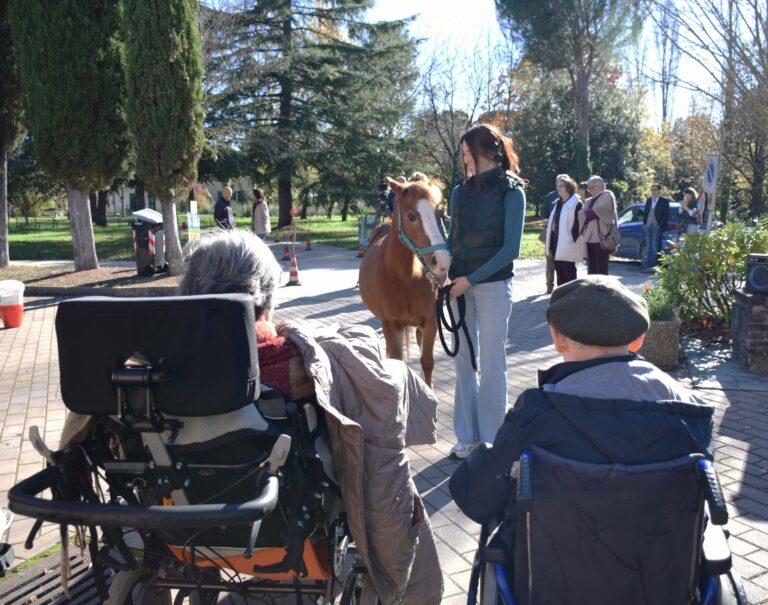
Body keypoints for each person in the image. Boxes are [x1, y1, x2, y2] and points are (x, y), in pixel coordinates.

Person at [62, 229, 444, 604]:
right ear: (265, 294)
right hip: (284, 532)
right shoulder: (292, 368)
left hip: (177, 531)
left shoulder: (139, 380)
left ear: (191, 291)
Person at [449, 275, 712, 567]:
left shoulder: (536, 413)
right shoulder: (691, 412)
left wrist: (479, 458)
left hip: (552, 579)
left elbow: (476, 498)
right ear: (638, 340)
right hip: (662, 581)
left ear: (556, 338)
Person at [446, 123, 526, 459]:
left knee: (493, 363)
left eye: (468, 152)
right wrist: (443, 273)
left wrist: (471, 279)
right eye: (463, 153)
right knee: (464, 360)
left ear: (487, 152)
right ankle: (467, 436)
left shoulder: (512, 192)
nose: (464, 158)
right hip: (458, 286)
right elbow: (452, 241)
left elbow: (511, 250)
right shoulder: (459, 191)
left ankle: (493, 439)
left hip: (492, 287)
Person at [545, 175, 585, 286]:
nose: (558, 188)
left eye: (561, 186)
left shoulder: (576, 203)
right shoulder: (558, 203)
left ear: (568, 187)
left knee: (569, 272)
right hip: (556, 242)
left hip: (568, 244)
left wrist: (572, 238)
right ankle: (561, 298)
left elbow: (579, 224)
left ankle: (571, 299)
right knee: (560, 272)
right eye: (558, 185)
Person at [579, 175, 618, 275]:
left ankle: (603, 290)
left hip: (601, 238)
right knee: (591, 270)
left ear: (601, 186)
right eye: (589, 188)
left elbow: (596, 211)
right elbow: (581, 216)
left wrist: (587, 213)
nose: (590, 190)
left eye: (593, 187)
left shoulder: (607, 195)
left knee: (601, 270)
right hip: (589, 238)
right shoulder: (588, 201)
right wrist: (587, 213)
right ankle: (592, 290)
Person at [539, 175, 569, 294]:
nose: (560, 186)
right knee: (551, 261)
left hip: (565, 235)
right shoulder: (549, 197)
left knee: (563, 262)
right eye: (559, 183)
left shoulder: (571, 197)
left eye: (563, 184)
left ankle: (562, 287)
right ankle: (550, 287)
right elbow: (543, 218)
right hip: (552, 236)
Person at [642, 183, 670, 272]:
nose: (653, 191)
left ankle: (653, 266)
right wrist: (644, 224)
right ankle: (647, 266)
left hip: (656, 227)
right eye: (652, 190)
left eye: (655, 189)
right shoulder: (649, 200)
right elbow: (646, 213)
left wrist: (659, 225)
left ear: (659, 190)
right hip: (648, 226)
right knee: (648, 246)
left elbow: (666, 215)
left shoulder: (664, 201)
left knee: (654, 247)